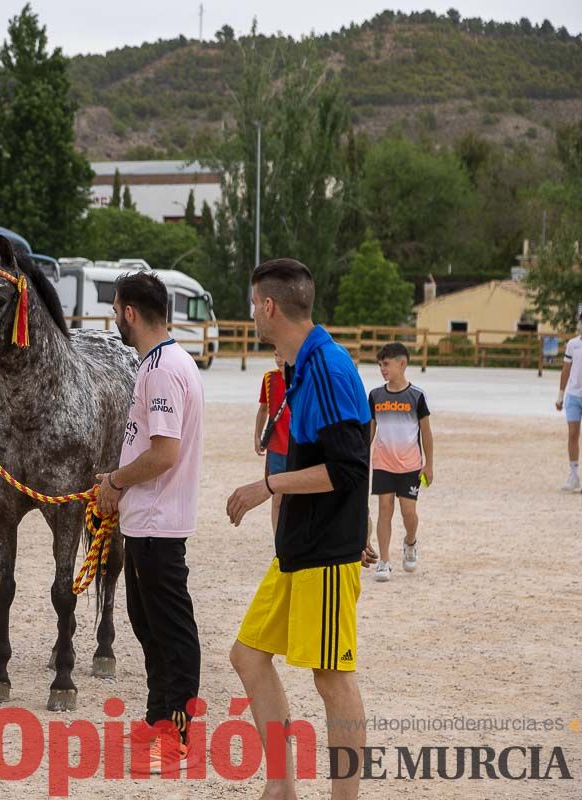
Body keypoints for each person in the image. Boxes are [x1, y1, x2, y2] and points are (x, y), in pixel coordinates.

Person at [225, 258, 377, 800]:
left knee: (331, 679)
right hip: (296, 547)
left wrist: (268, 486)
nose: (250, 314)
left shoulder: (331, 368)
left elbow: (349, 469)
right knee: (247, 657)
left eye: (251, 304)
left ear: (268, 307)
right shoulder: (299, 365)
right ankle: (282, 787)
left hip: (327, 552)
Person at [95, 271, 204, 773]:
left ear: (130, 313)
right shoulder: (164, 362)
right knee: (148, 625)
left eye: (116, 308)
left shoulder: (161, 369)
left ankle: (179, 734)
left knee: (170, 628)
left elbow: (163, 454)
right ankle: (158, 717)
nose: (114, 318)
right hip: (146, 519)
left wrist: (115, 482)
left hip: (158, 519)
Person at [369, 342, 433, 581]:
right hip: (383, 463)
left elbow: (426, 433)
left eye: (386, 364)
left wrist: (429, 464)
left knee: (408, 513)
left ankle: (410, 541)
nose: (382, 369)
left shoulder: (416, 396)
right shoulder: (375, 395)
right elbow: (370, 431)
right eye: (380, 365)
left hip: (410, 465)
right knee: (384, 509)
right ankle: (384, 562)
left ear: (402, 364)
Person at [255, 347, 291, 532]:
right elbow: (263, 409)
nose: (278, 359)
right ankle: (279, 544)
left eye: (282, 354)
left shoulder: (302, 377)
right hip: (276, 446)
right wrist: (257, 435)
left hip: (296, 446)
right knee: (277, 496)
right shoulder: (269, 378)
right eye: (276, 354)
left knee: (296, 496)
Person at [556, 306, 582, 492]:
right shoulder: (573, 344)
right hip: (574, 395)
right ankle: (573, 475)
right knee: (572, 435)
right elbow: (566, 370)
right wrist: (560, 395)